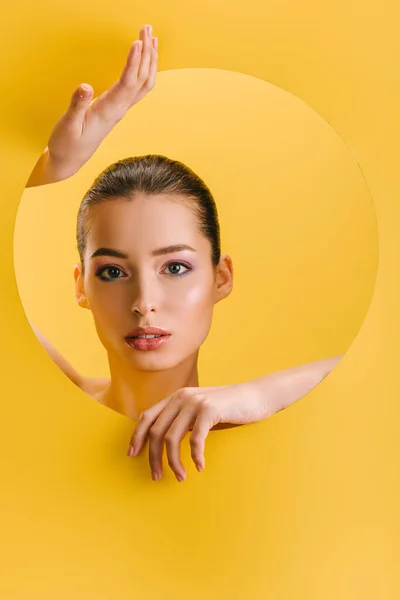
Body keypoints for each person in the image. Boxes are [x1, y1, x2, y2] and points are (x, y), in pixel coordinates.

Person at [26, 24, 343, 483]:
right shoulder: (35, 393)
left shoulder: (274, 421)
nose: (144, 302)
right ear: (80, 285)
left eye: (175, 267)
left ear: (221, 277)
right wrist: (52, 167)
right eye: (113, 271)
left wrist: (259, 396)